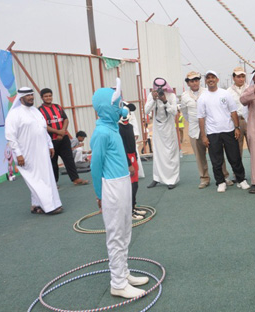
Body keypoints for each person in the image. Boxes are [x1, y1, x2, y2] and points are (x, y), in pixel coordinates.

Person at [90, 79, 149, 298]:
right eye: (117, 105)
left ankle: (124, 273)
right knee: (115, 235)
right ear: (107, 108)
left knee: (125, 231)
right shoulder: (102, 133)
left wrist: (128, 167)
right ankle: (117, 283)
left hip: (123, 182)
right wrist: (99, 195)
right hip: (112, 188)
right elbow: (96, 167)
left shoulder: (112, 127)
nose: (122, 109)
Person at [5, 87, 63, 215]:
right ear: (21, 98)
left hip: (41, 151)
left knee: (43, 178)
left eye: (31, 95)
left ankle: (36, 205)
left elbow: (42, 129)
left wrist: (50, 145)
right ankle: (49, 206)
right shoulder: (14, 114)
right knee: (37, 180)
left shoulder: (36, 111)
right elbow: (10, 137)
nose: (31, 97)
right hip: (26, 154)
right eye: (28, 96)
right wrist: (18, 154)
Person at [197, 70, 250, 193]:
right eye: (208, 78)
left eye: (213, 77)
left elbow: (233, 112)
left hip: (228, 130)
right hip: (212, 133)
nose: (211, 80)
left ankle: (241, 180)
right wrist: (204, 136)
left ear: (217, 79)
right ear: (205, 81)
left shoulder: (225, 94)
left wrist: (237, 128)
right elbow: (201, 118)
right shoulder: (202, 97)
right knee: (216, 160)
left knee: (235, 157)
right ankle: (220, 182)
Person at [181, 71, 233, 189]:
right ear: (188, 83)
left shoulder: (207, 92)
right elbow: (184, 112)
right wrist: (194, 121)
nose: (194, 83)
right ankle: (204, 178)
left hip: (211, 129)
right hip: (195, 130)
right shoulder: (184, 96)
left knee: (218, 154)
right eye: (191, 81)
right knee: (200, 156)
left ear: (199, 81)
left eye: (196, 80)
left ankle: (225, 176)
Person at [38, 88, 88, 186]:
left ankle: (75, 179)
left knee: (69, 160)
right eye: (46, 96)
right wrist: (58, 132)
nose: (48, 98)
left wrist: (62, 132)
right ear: (42, 98)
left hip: (63, 139)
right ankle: (54, 183)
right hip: (51, 140)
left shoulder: (58, 107)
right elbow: (42, 126)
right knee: (53, 162)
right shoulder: (39, 110)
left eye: (50, 95)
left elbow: (65, 119)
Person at [144, 78, 180, 189]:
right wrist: (154, 99)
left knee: (170, 153)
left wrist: (165, 101)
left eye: (163, 89)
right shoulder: (152, 95)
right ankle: (157, 178)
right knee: (158, 152)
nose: (161, 91)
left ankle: (172, 179)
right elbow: (146, 111)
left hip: (169, 128)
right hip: (157, 128)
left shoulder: (171, 96)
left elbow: (174, 112)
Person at [119, 103, 145, 221]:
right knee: (130, 185)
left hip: (132, 156)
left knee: (135, 184)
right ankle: (129, 211)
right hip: (126, 158)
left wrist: (135, 156)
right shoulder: (118, 129)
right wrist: (129, 163)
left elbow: (132, 144)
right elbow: (122, 148)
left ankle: (133, 206)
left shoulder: (129, 127)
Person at [227, 67, 250, 155]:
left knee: (254, 149)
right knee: (237, 150)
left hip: (249, 121)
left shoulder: (250, 89)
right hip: (236, 123)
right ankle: (239, 169)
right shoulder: (228, 92)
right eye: (238, 76)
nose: (241, 79)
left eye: (243, 76)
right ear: (233, 78)